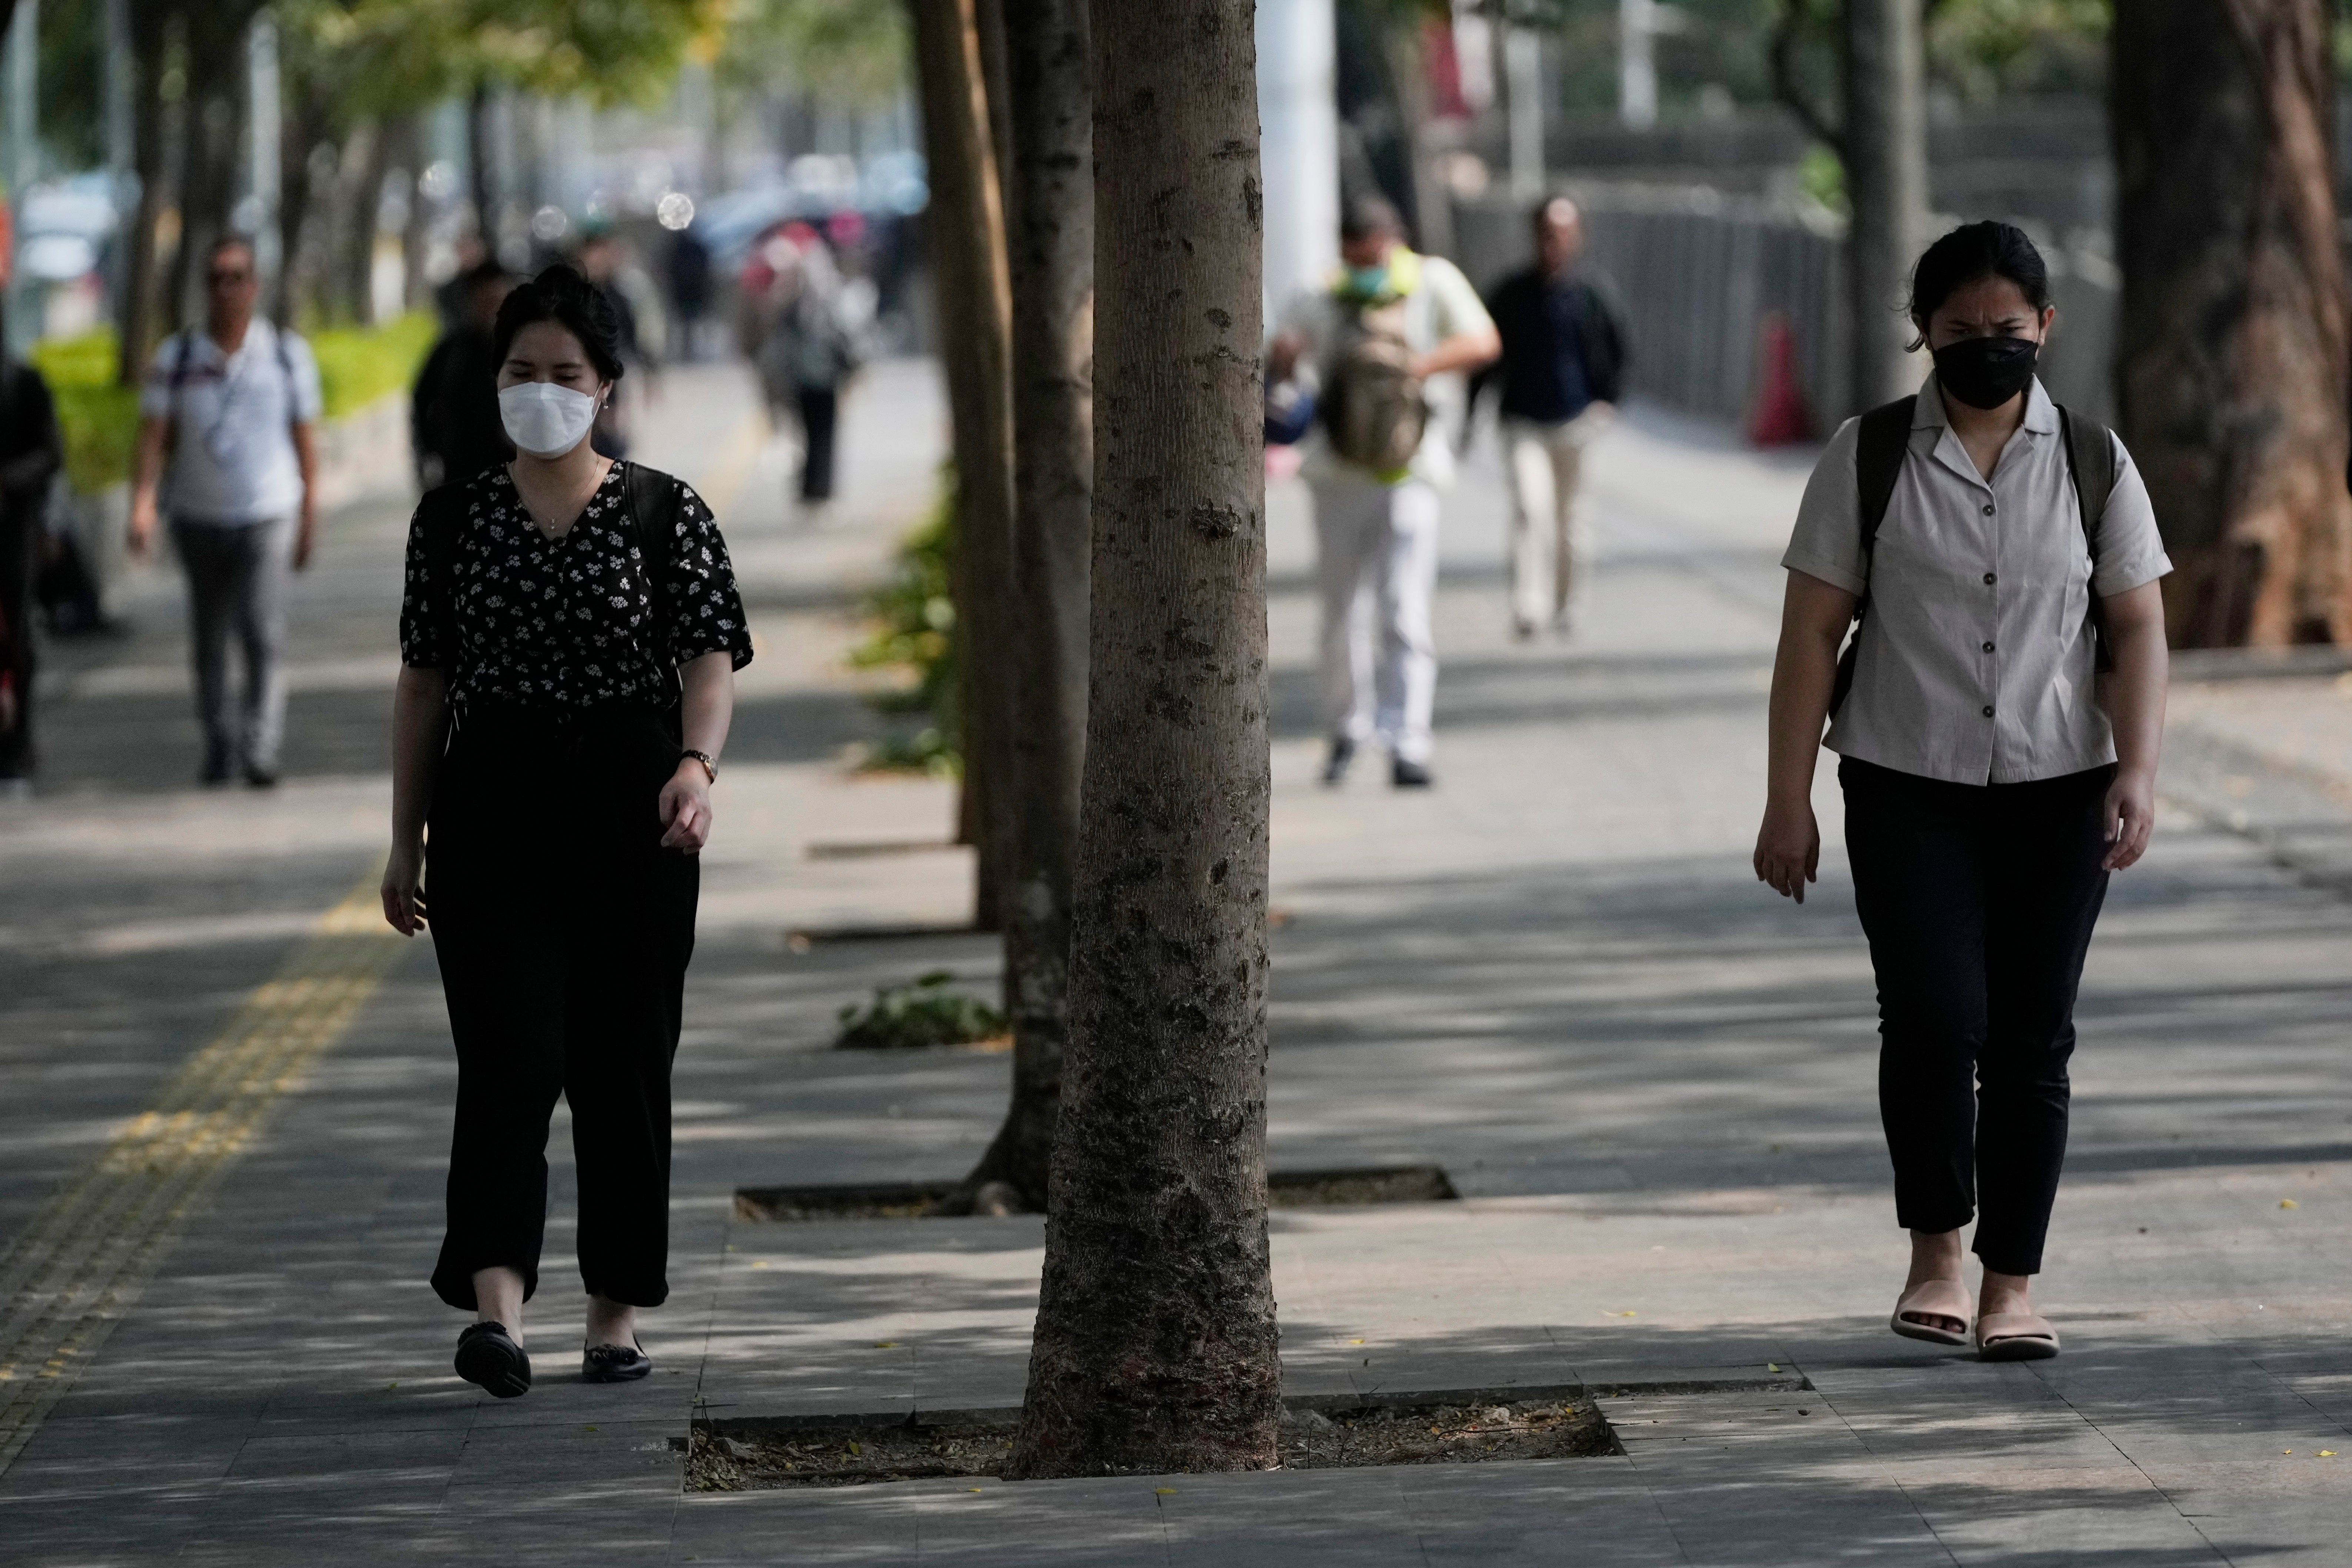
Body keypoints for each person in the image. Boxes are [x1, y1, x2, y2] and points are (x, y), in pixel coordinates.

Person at [1753, 221, 2171, 1362]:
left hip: (2059, 784)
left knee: (2031, 1037)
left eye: (2006, 327)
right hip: (1906, 783)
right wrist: (1786, 799)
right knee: (1933, 1020)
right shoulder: (1867, 454)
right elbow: (1808, 636)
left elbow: (2137, 625)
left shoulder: (2092, 461)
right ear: (1922, 333)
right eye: (1959, 329)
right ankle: (1933, 1254)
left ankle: (2010, 1283)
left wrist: (2138, 768)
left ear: (2044, 326)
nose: (1985, 345)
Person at [381, 264, 752, 1399]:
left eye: (564, 373)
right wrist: (403, 840)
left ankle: (614, 1312)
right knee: (508, 1059)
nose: (540, 391)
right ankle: (496, 1311)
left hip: (633, 806)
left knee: (621, 1062)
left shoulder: (665, 511)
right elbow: (422, 685)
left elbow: (708, 660)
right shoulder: (452, 519)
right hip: (490, 806)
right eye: (520, 371)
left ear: (605, 387)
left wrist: (694, 767)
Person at [1268, 194, 1499, 788]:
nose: (1365, 267)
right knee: (1339, 614)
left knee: (1403, 609)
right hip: (1337, 473)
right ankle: (1348, 728)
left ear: (1393, 240)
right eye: (1355, 256)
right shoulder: (1318, 292)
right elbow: (1282, 365)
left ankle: (1407, 739)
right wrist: (1287, 358)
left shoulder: (1431, 281)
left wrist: (1416, 368)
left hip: (1409, 470)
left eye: (1372, 255)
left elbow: (1482, 342)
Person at [129, 236, 323, 788]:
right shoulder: (177, 357)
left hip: (268, 512)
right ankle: (220, 745)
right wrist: (142, 505)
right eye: (216, 279)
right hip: (197, 516)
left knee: (261, 630)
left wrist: (311, 513)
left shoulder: (284, 354)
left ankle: (261, 749)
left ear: (254, 286)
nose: (226, 289)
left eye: (237, 277)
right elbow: (152, 439)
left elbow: (306, 441)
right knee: (208, 638)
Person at [1481, 197, 1631, 640]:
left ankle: (1568, 603)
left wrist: (1609, 401)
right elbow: (1488, 356)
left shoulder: (1592, 293)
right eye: (1547, 234)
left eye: (1564, 234)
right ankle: (1530, 604)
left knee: (1572, 519)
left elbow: (1619, 349)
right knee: (1531, 510)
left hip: (1576, 423)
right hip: (1523, 421)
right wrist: (1470, 416)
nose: (1555, 243)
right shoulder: (1511, 294)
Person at [0, 337, 63, 793]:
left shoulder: (25, 383)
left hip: (13, 532)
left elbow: (50, 455)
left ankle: (16, 748)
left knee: (18, 640)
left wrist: (6, 483)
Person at [411, 260, 515, 490]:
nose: (493, 310)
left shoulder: (525, 349)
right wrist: (426, 456)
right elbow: (421, 402)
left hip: (514, 473)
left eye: (499, 301)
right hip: (460, 473)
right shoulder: (452, 352)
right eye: (486, 301)